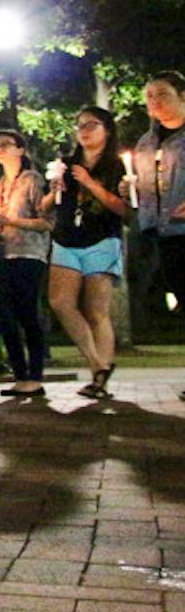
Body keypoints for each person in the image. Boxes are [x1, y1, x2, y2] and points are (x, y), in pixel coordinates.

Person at [44, 106, 128, 399]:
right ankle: (98, 364)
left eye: (91, 125)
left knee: (96, 310)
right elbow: (46, 207)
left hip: (102, 240)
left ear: (107, 129)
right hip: (66, 239)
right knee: (60, 302)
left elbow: (123, 208)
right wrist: (52, 189)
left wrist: (90, 183)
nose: (84, 130)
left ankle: (99, 379)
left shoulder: (117, 166)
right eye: (79, 125)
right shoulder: (65, 165)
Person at [0, 129, 52, 398]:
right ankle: (19, 374)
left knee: (27, 312)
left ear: (21, 150)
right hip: (2, 253)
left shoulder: (32, 180)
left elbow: (46, 222)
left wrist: (12, 222)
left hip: (29, 254)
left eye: (5, 144)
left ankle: (35, 375)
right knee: (5, 315)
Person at [133, 71, 185, 401]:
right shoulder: (146, 142)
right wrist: (132, 188)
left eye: (163, 94)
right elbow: (145, 186)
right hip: (163, 231)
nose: (155, 102)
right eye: (150, 95)